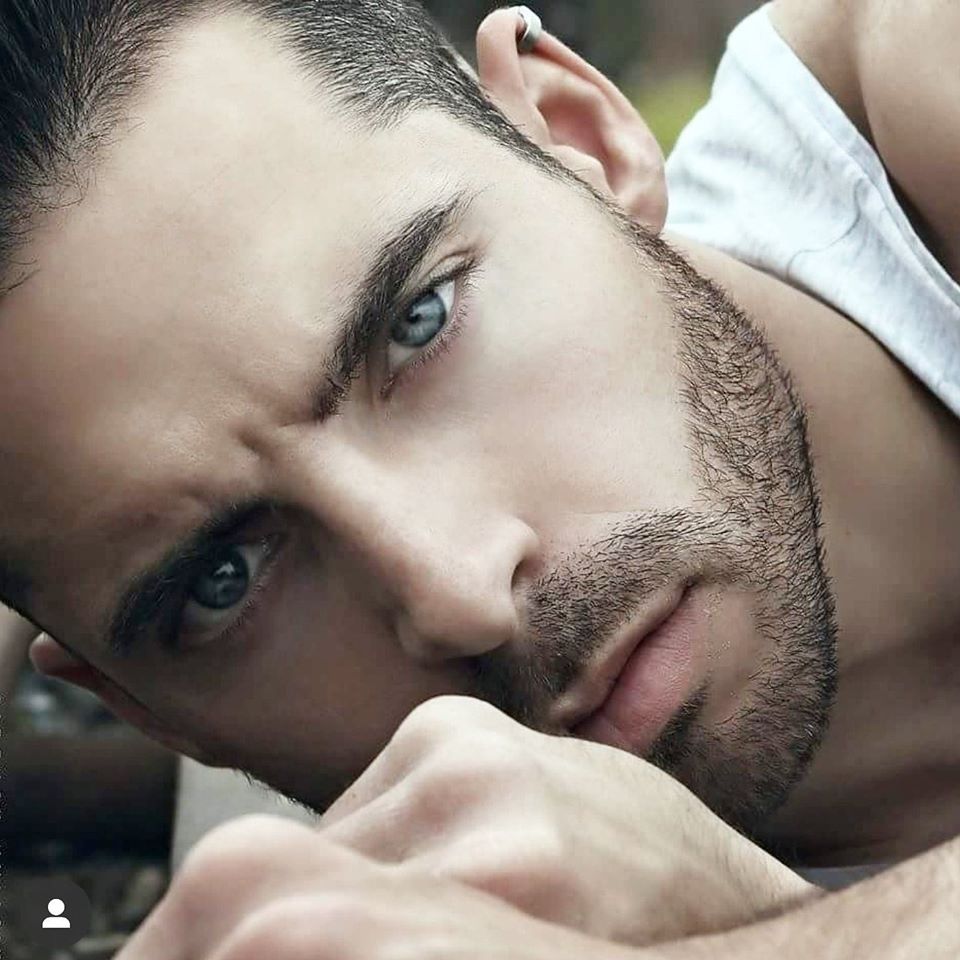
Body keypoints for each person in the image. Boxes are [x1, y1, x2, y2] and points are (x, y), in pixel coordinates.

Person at [0, 0, 957, 955]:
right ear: (148, 711)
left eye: (419, 321)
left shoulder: (913, 75)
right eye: (224, 579)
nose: (460, 595)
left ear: (579, 137)